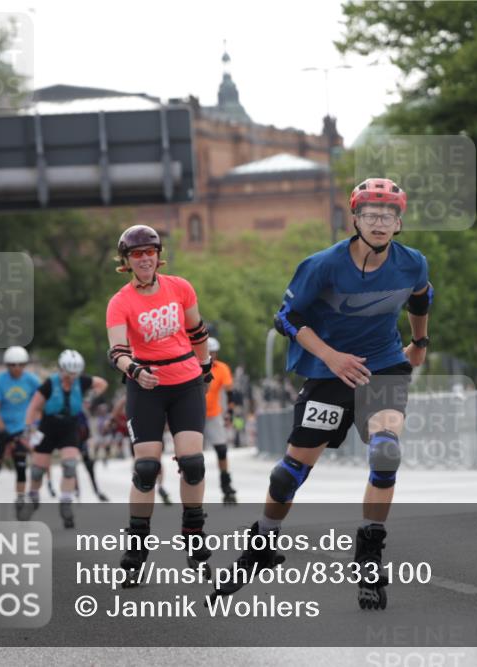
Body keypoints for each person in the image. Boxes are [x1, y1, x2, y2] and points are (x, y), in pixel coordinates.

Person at [211, 178, 432, 610]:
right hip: (329, 373)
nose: (380, 222)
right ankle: (263, 542)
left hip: (383, 367)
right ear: (355, 218)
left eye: (388, 215)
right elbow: (287, 319)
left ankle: (369, 555)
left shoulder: (412, 263)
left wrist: (419, 344)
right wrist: (331, 357)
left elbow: (421, 299)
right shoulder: (324, 266)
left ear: (399, 222)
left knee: (386, 453)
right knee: (287, 475)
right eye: (370, 214)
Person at [105, 224, 215, 584]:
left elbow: (198, 332)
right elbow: (118, 351)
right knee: (147, 469)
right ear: (127, 261)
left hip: (185, 381)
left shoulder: (180, 288)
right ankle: (137, 546)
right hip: (146, 386)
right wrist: (134, 370)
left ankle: (193, 535)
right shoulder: (120, 302)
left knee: (193, 463)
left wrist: (205, 367)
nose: (145, 259)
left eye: (150, 252)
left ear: (158, 255)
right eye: (137, 254)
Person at [21, 350, 107, 527]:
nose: (72, 376)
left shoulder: (81, 382)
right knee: (38, 470)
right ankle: (33, 498)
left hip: (69, 426)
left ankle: (66, 503)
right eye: (69, 372)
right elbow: (33, 407)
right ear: (61, 369)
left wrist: (90, 397)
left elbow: (102, 383)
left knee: (69, 465)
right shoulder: (49, 384)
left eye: (76, 373)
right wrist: (28, 429)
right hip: (48, 426)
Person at [0, 346, 41, 520]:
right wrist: (4, 431)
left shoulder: (31, 380)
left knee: (21, 466)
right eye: (12, 365)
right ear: (7, 365)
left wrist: (37, 421)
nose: (16, 368)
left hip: (20, 428)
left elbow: (41, 400)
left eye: (20, 365)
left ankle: (20, 502)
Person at [203, 337, 237, 505]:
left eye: (214, 353)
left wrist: (230, 413)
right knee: (190, 457)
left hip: (212, 414)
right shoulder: (193, 366)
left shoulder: (222, 368)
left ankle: (226, 485)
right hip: (193, 413)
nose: (211, 355)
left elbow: (230, 393)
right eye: (208, 352)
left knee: (222, 449)